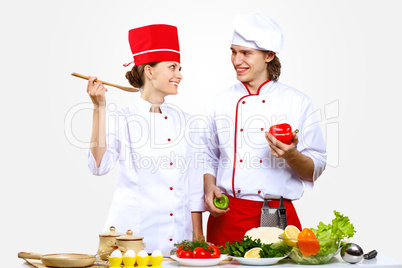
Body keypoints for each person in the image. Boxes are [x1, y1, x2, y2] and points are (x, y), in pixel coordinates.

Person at [201, 13, 327, 247]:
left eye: (246, 53)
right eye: (233, 51)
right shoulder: (218, 102)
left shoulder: (297, 102)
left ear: (269, 55)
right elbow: (209, 155)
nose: (236, 60)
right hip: (227, 214)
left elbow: (315, 168)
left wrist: (291, 154)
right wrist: (209, 185)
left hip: (275, 216)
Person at [86, 24, 205, 253]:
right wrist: (99, 108)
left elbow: (193, 183)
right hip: (132, 240)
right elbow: (99, 167)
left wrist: (198, 236)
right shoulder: (122, 119)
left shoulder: (188, 122)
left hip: (179, 238)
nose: (179, 75)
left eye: (179, 68)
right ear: (150, 72)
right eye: (172, 67)